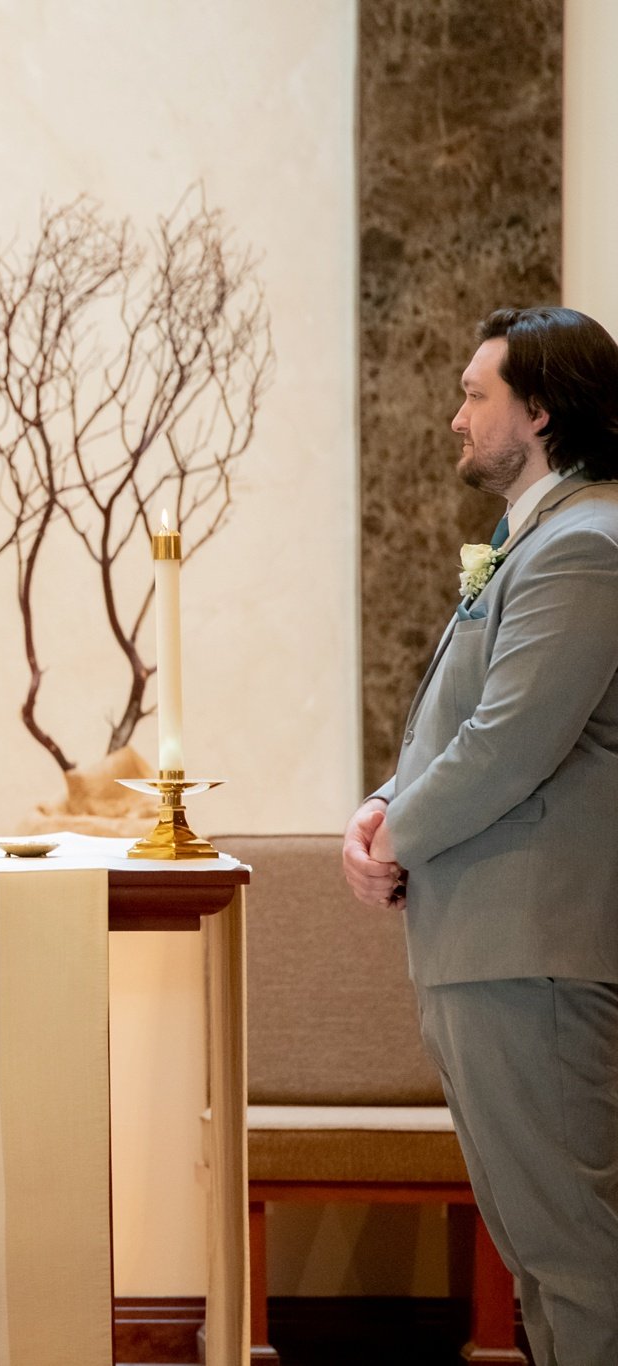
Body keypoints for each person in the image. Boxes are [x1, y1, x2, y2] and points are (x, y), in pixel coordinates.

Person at [343, 306, 618, 1366]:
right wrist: (381, 801)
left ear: (539, 411)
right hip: (487, 946)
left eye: (474, 394)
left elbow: (508, 742)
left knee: (574, 1252)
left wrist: (390, 836)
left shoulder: (584, 546)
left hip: (530, 947)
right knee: (540, 1249)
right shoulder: (537, 537)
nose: (454, 417)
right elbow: (462, 715)